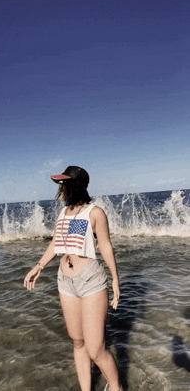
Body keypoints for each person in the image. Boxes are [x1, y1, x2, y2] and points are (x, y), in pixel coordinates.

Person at [24, 166, 123, 391]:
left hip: (90, 280)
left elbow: (105, 245)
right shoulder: (63, 213)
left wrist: (115, 279)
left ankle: (116, 388)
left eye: (63, 184)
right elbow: (56, 243)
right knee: (78, 342)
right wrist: (39, 266)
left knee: (96, 349)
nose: (60, 189)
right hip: (65, 281)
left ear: (74, 185)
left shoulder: (95, 212)